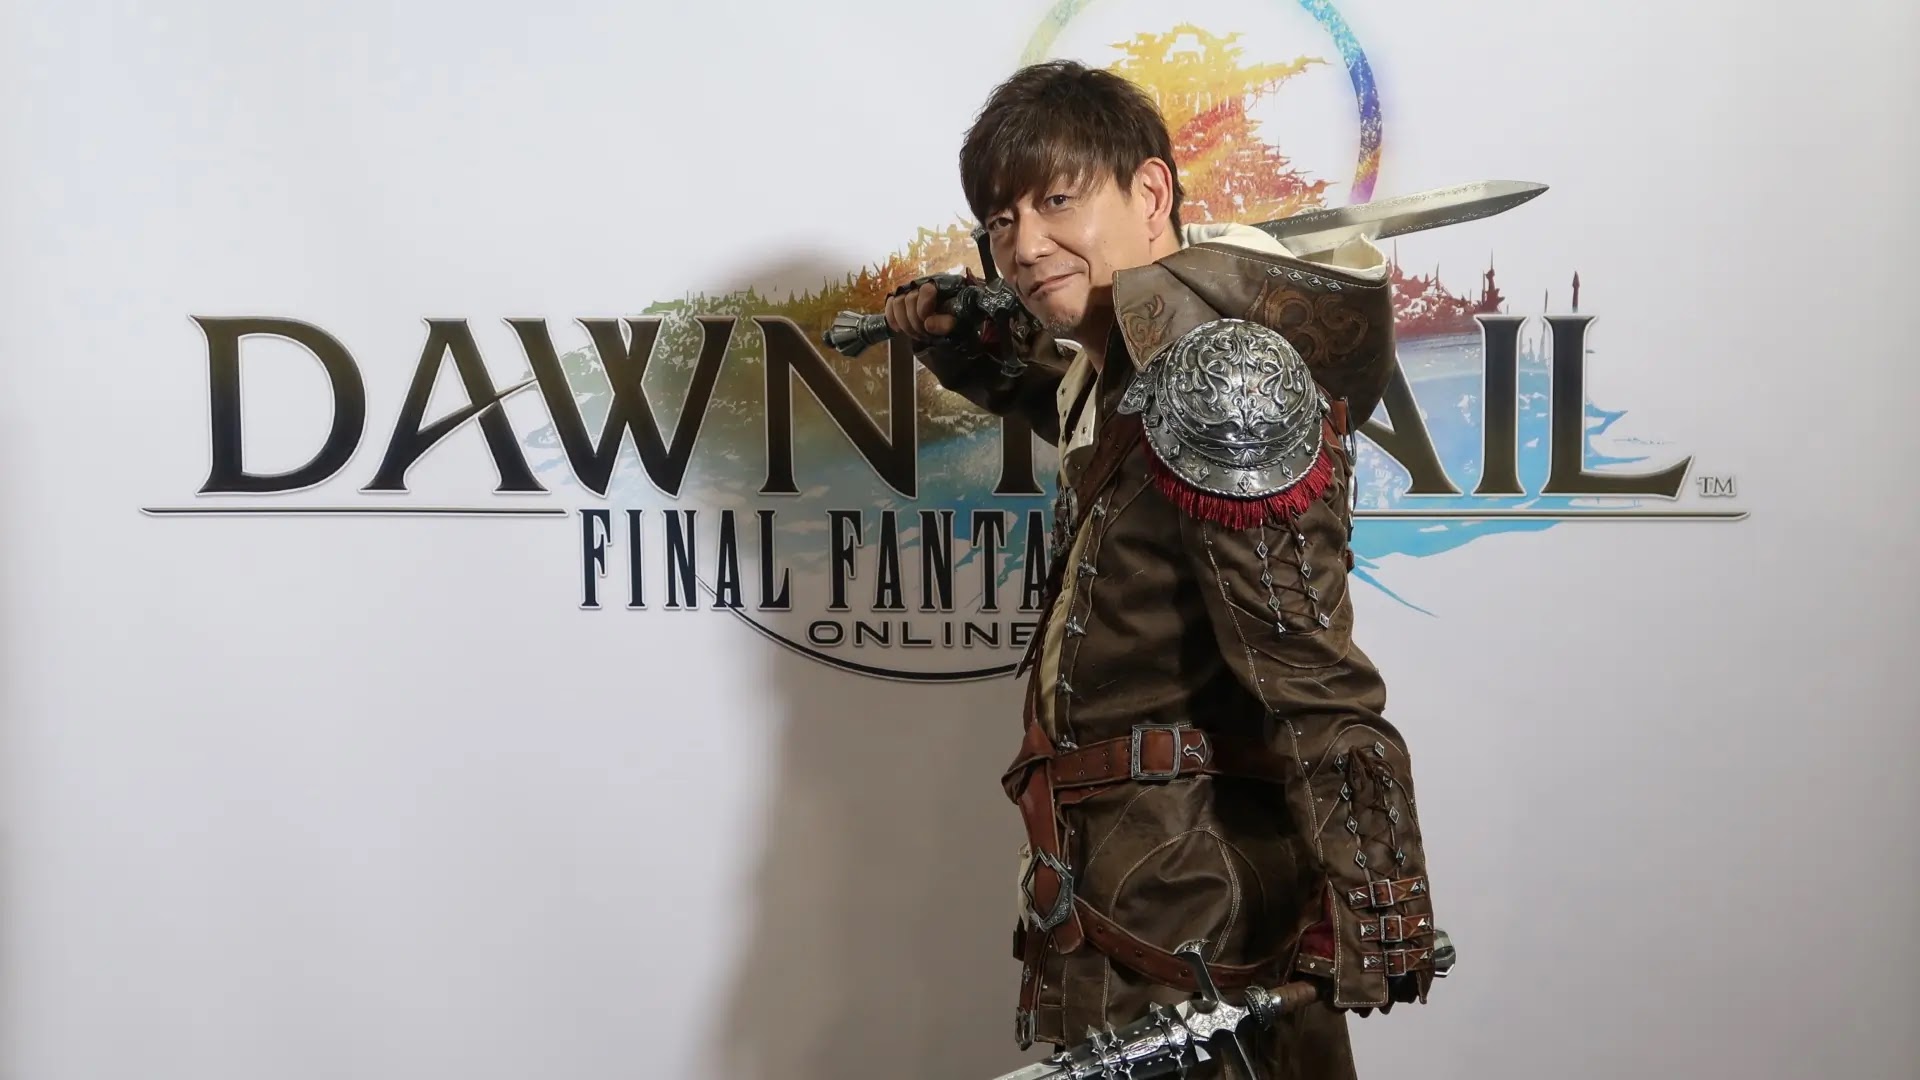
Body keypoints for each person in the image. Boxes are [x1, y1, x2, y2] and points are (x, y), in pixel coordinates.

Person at [884, 60, 1445, 1079]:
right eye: (1002, 221)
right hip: (1125, 905)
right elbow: (1097, 428)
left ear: (1150, 193)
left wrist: (1378, 906)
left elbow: (1312, 675)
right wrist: (969, 346)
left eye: (1058, 201)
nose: (1024, 245)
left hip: (1205, 922)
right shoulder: (1127, 376)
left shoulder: (1221, 380)